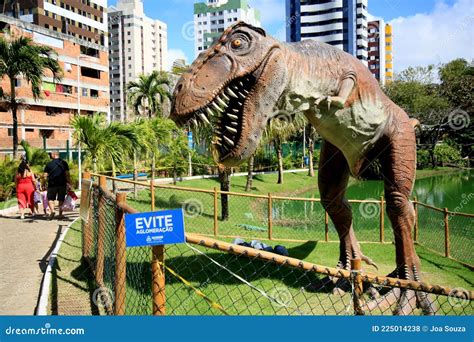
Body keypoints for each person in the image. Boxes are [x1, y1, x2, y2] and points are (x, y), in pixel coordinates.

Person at [44, 151, 71, 219]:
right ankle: (60, 214)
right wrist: (69, 182)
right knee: (61, 199)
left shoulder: (49, 164)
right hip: (62, 184)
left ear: (54, 154)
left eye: (50, 154)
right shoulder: (64, 163)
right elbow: (67, 174)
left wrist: (44, 183)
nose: (50, 155)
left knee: (50, 198)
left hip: (52, 184)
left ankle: (52, 211)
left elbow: (45, 175)